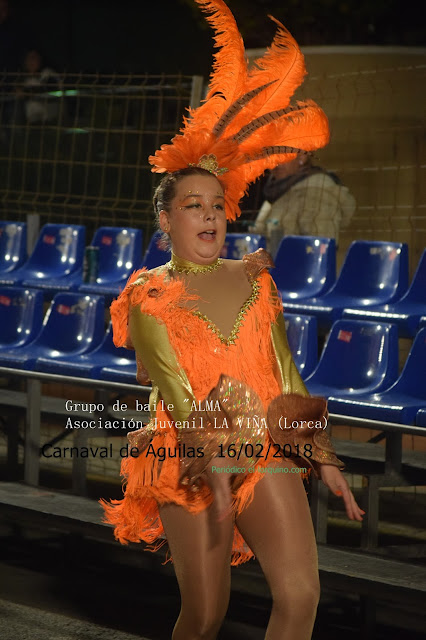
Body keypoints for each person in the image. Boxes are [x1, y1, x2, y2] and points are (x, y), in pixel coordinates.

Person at [101, 2, 364, 638]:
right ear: (166, 219)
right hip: (190, 455)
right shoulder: (149, 294)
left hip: (265, 447)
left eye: (218, 205)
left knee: (301, 596)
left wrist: (323, 458)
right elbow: (177, 395)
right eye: (194, 205)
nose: (210, 216)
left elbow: (286, 374)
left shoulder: (256, 280)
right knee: (204, 615)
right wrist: (211, 464)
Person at [251, 151, 356, 256]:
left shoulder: (317, 192)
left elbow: (318, 252)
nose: (275, 160)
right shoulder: (276, 192)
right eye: (270, 153)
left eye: (282, 153)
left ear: (302, 157)